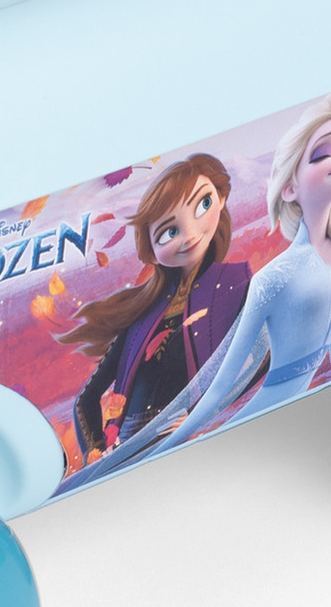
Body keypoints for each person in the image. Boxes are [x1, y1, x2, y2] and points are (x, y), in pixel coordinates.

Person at [91, 93, 331, 478]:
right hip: (240, 429)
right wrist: (154, 447)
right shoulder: (270, 278)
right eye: (322, 154)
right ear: (289, 187)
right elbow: (220, 386)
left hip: (295, 424)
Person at [60, 154, 251, 465]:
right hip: (128, 444)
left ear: (221, 198)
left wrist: (204, 413)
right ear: (151, 250)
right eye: (169, 232)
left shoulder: (235, 284)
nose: (189, 235)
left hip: (188, 433)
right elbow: (86, 400)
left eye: (202, 205)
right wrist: (95, 452)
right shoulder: (140, 316)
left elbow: (261, 356)